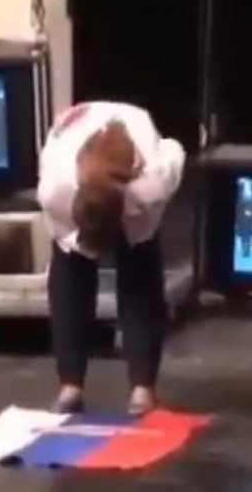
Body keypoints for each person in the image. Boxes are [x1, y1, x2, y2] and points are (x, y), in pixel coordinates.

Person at [36, 101, 186, 415]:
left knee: (141, 275)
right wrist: (85, 245)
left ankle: (143, 390)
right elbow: (71, 247)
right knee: (70, 274)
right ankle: (70, 386)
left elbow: (176, 150)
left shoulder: (152, 184)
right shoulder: (56, 190)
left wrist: (129, 223)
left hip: (136, 182)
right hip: (74, 147)